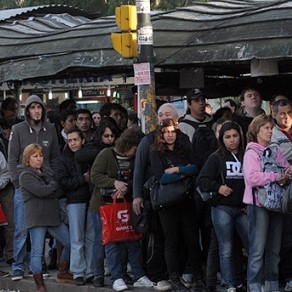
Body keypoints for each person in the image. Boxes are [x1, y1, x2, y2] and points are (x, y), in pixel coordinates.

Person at [7, 95, 68, 282]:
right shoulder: (18, 129)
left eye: (39, 107)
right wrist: (18, 183)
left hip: (47, 186)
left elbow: (56, 157)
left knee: (42, 229)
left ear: (43, 109)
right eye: (32, 107)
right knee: (21, 228)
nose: (36, 111)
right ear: (27, 111)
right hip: (24, 187)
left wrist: (53, 178)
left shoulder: (50, 129)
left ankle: (39, 267)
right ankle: (18, 266)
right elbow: (12, 158)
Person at [90, 127, 153, 291]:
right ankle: (114, 276)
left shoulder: (134, 160)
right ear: (128, 145)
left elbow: (138, 178)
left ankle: (137, 275)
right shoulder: (106, 154)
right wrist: (114, 183)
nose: (135, 153)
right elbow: (94, 176)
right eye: (134, 149)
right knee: (111, 242)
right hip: (104, 206)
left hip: (126, 205)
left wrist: (127, 187)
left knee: (132, 240)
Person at [150, 118, 201, 292]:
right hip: (167, 203)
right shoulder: (156, 152)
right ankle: (174, 279)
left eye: (172, 131)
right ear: (161, 134)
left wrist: (177, 170)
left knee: (193, 240)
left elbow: (195, 168)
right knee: (171, 241)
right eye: (166, 131)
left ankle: (198, 277)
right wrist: (184, 172)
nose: (170, 135)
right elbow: (162, 178)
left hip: (186, 200)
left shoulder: (183, 148)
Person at [197, 121, 248, 292]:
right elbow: (202, 180)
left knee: (251, 244)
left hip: (242, 208)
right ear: (222, 139)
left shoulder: (246, 155)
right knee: (225, 247)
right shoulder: (216, 157)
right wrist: (218, 187)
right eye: (227, 137)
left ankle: (245, 281)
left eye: (235, 136)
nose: (232, 140)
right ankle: (230, 284)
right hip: (222, 208)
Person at [132, 103, 179, 291]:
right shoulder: (148, 140)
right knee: (157, 238)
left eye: (167, 114)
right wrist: (137, 196)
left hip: (177, 198)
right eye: (160, 115)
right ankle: (156, 275)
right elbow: (139, 169)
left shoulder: (180, 140)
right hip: (154, 197)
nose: (162, 117)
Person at [243, 114, 292, 292]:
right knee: (257, 251)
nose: (270, 131)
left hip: (277, 204)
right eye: (266, 128)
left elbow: (286, 167)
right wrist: (278, 176)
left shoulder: (275, 150)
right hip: (259, 206)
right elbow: (252, 178)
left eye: (271, 128)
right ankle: (255, 286)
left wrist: (287, 172)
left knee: (274, 250)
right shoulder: (251, 152)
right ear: (256, 131)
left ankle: (272, 286)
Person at [19, 143, 71, 292]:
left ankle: (63, 271)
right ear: (27, 159)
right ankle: (39, 284)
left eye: (41, 155)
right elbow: (42, 191)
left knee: (69, 242)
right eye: (35, 156)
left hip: (51, 216)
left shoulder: (46, 172)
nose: (39, 159)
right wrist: (52, 187)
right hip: (36, 217)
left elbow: (56, 189)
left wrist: (51, 187)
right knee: (37, 251)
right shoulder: (25, 175)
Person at [58, 128, 94, 286]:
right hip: (74, 201)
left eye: (75, 140)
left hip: (91, 200)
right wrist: (83, 179)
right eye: (70, 140)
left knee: (91, 237)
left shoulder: (89, 156)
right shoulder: (64, 159)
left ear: (82, 140)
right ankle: (78, 272)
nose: (73, 143)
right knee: (77, 238)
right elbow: (63, 182)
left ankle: (91, 271)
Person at [270, 99, 292, 291]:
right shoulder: (272, 135)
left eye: (289, 112)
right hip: (284, 192)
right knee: (286, 238)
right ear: (275, 114)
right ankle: (288, 276)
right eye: (282, 113)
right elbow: (275, 161)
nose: (286, 117)